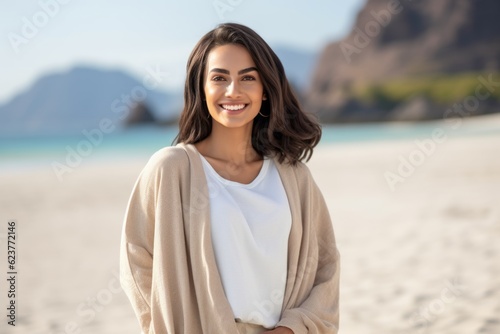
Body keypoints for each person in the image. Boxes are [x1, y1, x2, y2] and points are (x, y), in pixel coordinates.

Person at [120, 23, 340, 334]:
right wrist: (162, 323)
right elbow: (136, 257)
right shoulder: (172, 169)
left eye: (248, 78)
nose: (233, 91)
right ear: (202, 89)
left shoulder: (294, 177)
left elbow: (326, 266)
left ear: (265, 90)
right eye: (219, 78)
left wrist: (292, 328)